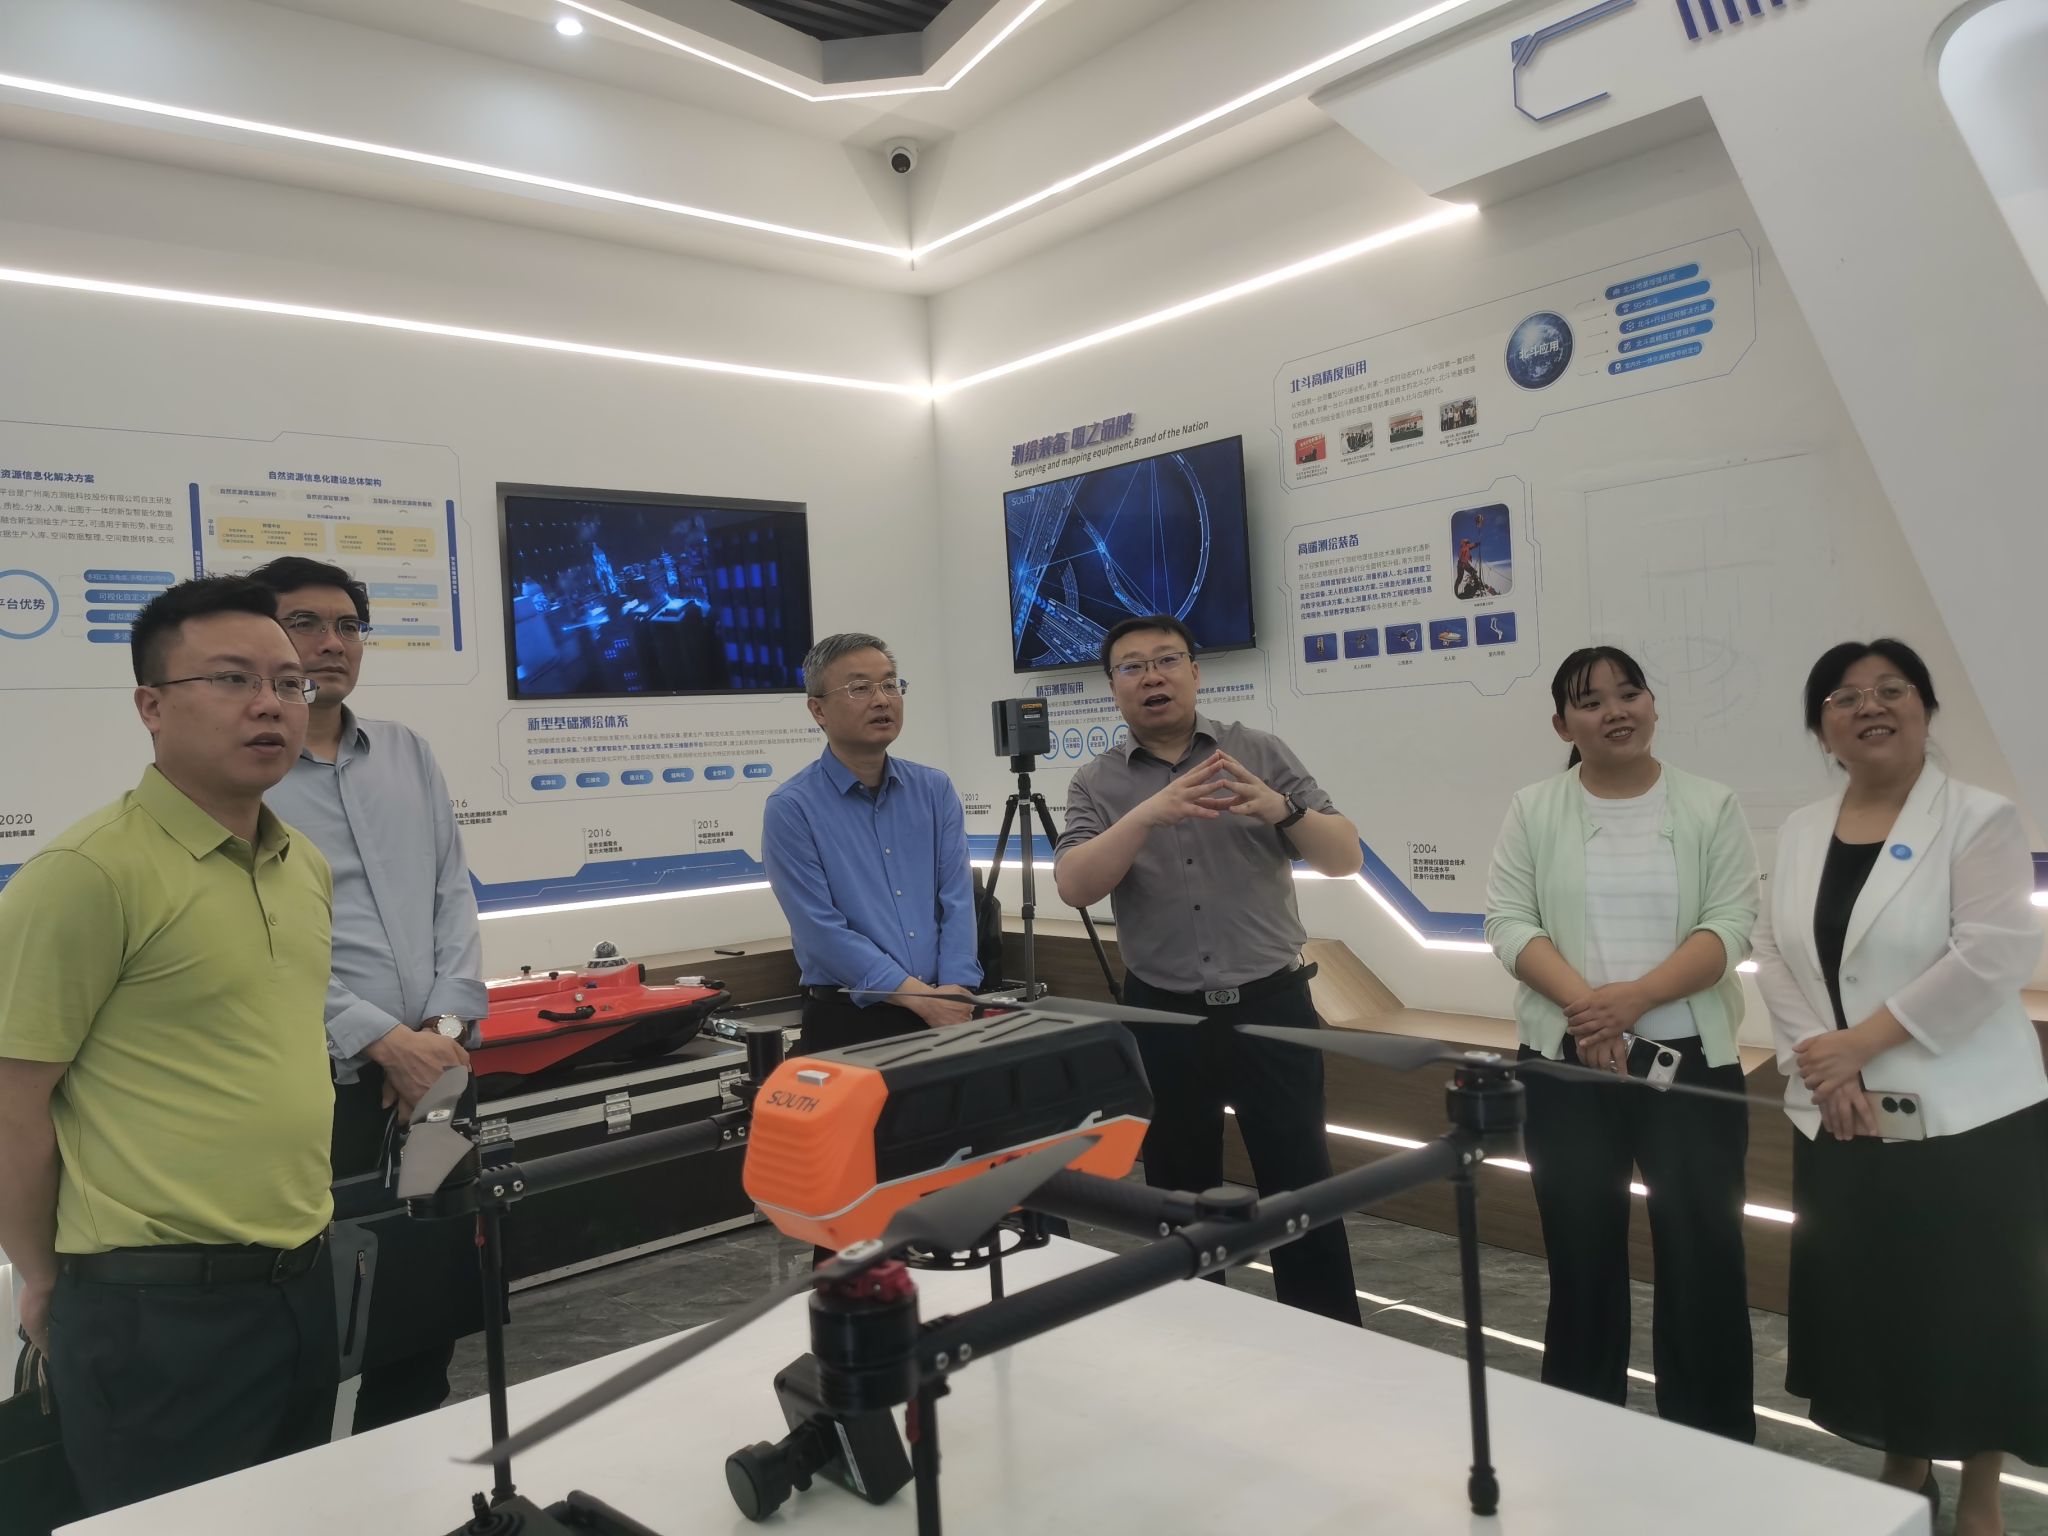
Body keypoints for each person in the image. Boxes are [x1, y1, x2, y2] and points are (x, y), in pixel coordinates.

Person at [0, 577, 338, 1514]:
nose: (270, 704)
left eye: (288, 683)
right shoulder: (86, 874)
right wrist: (41, 1276)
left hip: (300, 1279)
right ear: (151, 706)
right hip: (155, 1313)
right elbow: (13, 1103)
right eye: (231, 679)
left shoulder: (301, 863)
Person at [1752, 639, 2048, 1535]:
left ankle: (1983, 1499)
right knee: (1876, 1300)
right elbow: (1774, 953)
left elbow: (1991, 955)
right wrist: (1825, 1064)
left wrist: (1859, 1048)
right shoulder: (1802, 828)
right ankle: (1902, 1464)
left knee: (1977, 1307)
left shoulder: (1979, 817)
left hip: (1967, 1121)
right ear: (1822, 729)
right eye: (1844, 697)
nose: (1869, 706)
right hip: (1840, 1116)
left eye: (1891, 689)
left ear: (1924, 707)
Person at [1054, 615, 1364, 1324]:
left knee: (1301, 1187)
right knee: (1178, 1194)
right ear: (1113, 687)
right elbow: (1074, 886)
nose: (1152, 677)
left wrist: (1281, 809)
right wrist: (1147, 815)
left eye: (1167, 660)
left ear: (1195, 674)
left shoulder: (1257, 751)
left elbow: (1345, 857)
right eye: (1133, 666)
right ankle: (1195, 1339)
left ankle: (1331, 1344)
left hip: (1272, 1008)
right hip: (1164, 1016)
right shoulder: (1097, 781)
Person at [1484, 646, 1759, 1440]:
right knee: (1580, 1256)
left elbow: (1730, 926)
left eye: (1629, 693)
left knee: (1705, 1256)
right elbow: (1509, 923)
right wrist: (1589, 1014)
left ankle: (1710, 1443)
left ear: (1653, 705)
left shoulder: (1711, 804)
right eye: (1591, 701)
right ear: (1562, 724)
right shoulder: (1535, 808)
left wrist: (1634, 1002)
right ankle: (1583, 1435)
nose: (1615, 711)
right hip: (1567, 1069)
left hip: (1690, 1068)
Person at [250, 555, 485, 1434]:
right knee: (318, 1310)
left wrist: (443, 1034)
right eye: (305, 623)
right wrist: (386, 1040)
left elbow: (452, 894)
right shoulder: (247, 772)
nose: (332, 642)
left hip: (440, 1077)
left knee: (427, 1295)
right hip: (327, 1089)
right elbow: (258, 938)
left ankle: (414, 1455)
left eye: (348, 625)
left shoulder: (406, 752)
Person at [762, 633, 979, 1055]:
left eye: (890, 684)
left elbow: (957, 898)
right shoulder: (792, 807)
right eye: (860, 688)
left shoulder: (934, 790)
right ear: (818, 710)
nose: (882, 700)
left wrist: (956, 988)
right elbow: (820, 930)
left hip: (947, 1007)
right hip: (850, 1019)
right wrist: (920, 998)